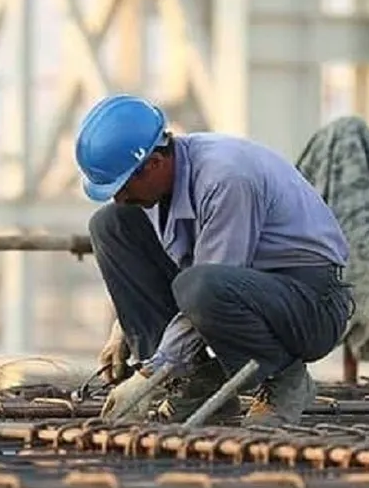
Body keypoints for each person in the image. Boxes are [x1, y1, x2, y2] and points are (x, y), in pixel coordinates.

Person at [76, 94, 354, 427]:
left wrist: (150, 375)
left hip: (309, 303)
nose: (119, 196)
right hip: (242, 289)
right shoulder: (163, 183)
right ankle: (194, 384)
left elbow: (209, 282)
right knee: (111, 224)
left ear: (153, 164)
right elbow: (179, 265)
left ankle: (284, 379)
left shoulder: (226, 179)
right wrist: (123, 328)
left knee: (198, 287)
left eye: (121, 185)